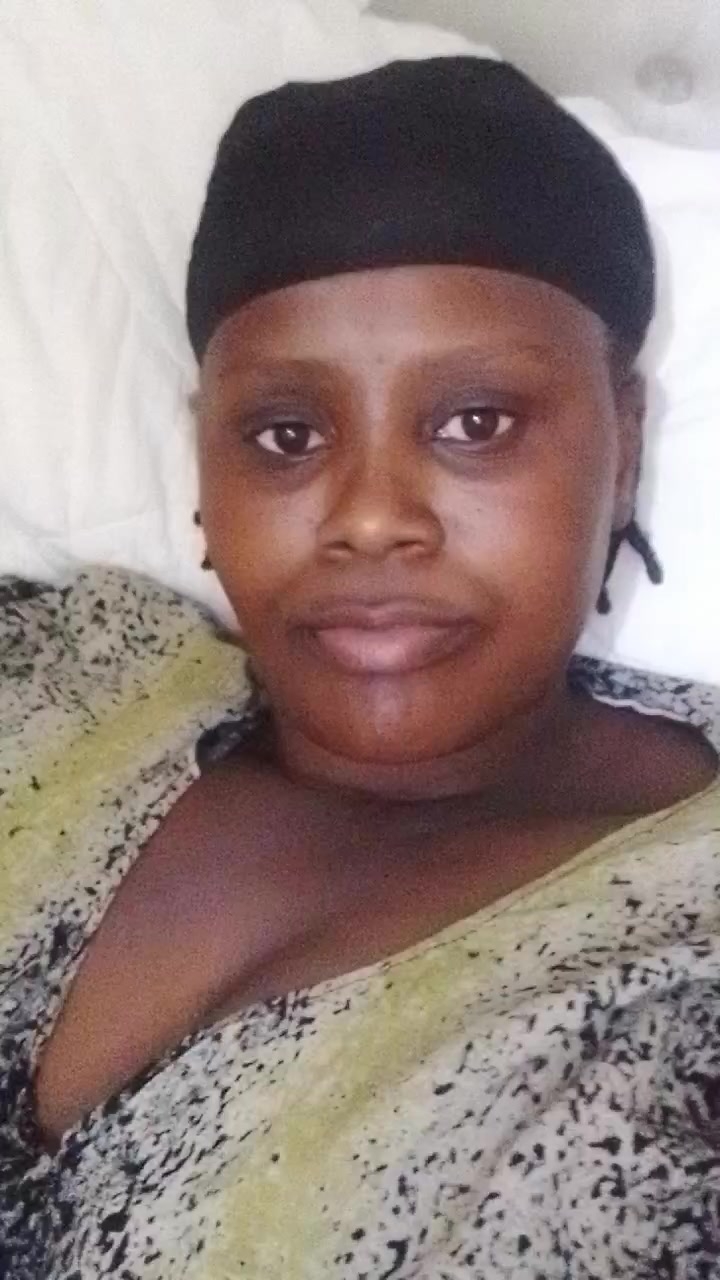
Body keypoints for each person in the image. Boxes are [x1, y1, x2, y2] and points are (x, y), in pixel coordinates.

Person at [1, 55, 720, 1280]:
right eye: (286, 434)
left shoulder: (683, 953)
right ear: (205, 464)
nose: (372, 516)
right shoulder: (70, 670)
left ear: (626, 443)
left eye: (476, 422)